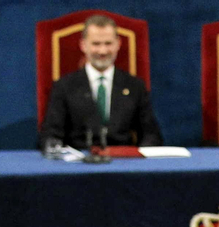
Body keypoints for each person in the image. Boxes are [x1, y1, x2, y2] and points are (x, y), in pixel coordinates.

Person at [40, 14, 162, 149]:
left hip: (123, 163)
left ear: (118, 44)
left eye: (108, 43)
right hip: (79, 164)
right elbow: (50, 135)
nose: (102, 51)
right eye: (96, 44)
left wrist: (140, 158)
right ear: (83, 45)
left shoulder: (135, 86)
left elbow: (152, 135)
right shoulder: (64, 86)